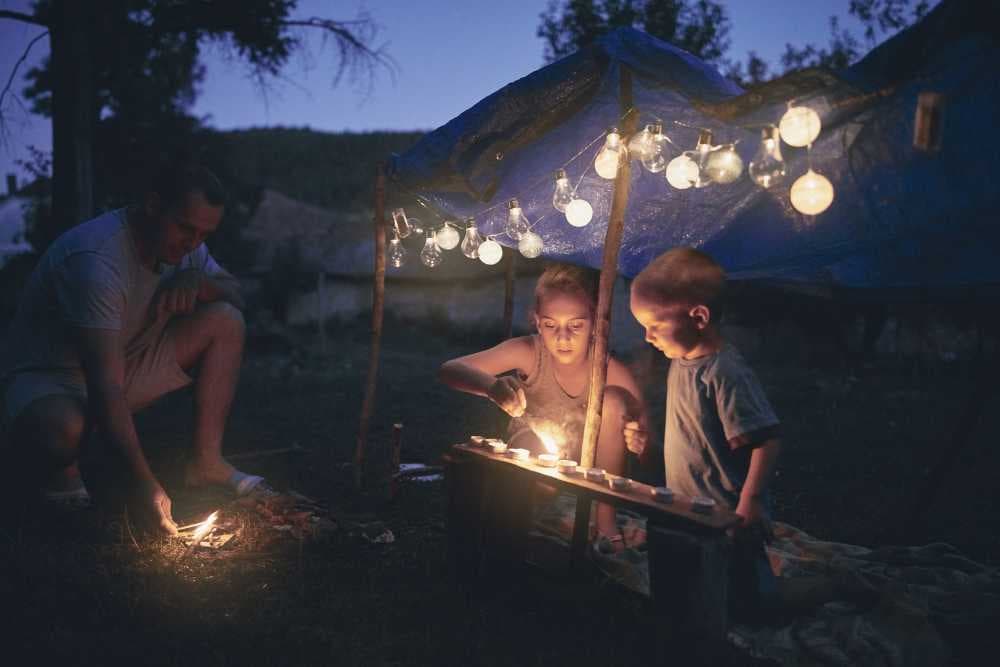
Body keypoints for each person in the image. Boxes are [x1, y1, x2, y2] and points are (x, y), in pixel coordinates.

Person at [0, 163, 264, 535]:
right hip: (49, 380)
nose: (193, 243)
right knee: (61, 431)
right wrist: (145, 484)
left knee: (226, 319)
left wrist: (201, 280)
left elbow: (238, 296)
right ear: (153, 206)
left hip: (123, 362)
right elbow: (105, 385)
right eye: (187, 228)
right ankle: (60, 467)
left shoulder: (188, 250)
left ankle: (206, 462)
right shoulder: (96, 260)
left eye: (204, 235)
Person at [439, 263, 648, 544]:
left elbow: (647, 442)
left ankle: (605, 523)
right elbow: (451, 369)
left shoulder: (611, 371)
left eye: (576, 325)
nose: (563, 337)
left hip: (593, 473)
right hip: (534, 463)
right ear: (537, 322)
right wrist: (492, 388)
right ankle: (530, 517)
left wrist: (638, 437)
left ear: (596, 323)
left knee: (613, 402)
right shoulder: (529, 352)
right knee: (529, 452)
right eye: (551, 325)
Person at [627, 247, 781, 614]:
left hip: (728, 516)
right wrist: (652, 445)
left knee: (754, 605)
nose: (648, 337)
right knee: (695, 595)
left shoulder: (724, 374)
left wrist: (750, 504)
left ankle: (836, 587)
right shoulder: (682, 362)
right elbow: (701, 439)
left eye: (655, 325)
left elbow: (767, 440)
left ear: (698, 317)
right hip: (691, 512)